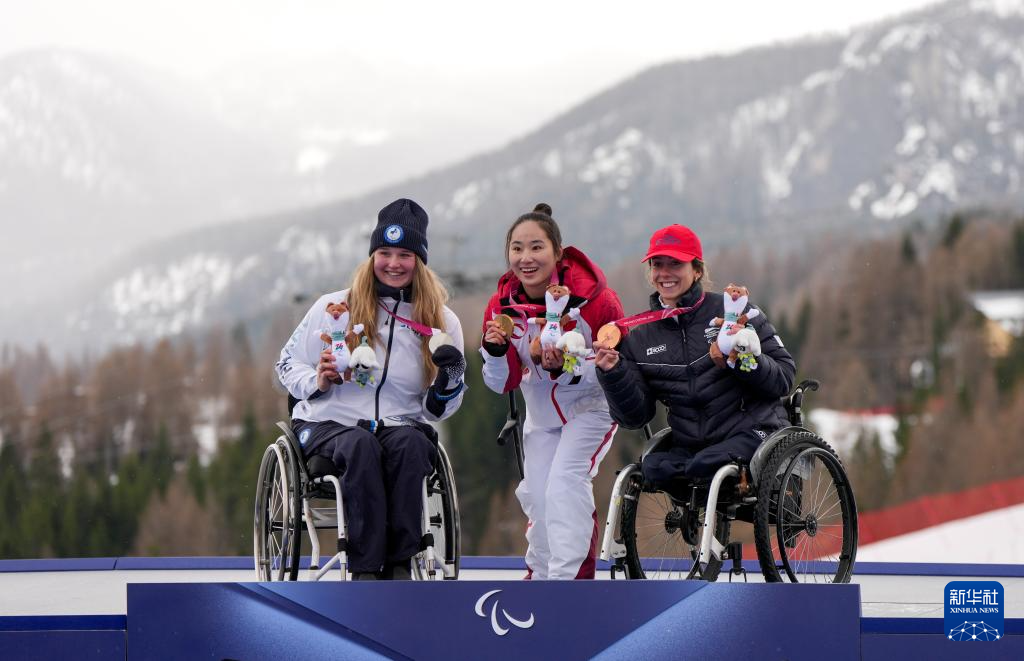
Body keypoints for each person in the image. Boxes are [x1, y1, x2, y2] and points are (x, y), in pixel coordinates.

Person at [275, 198, 466, 580]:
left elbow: (439, 410)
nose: (393, 263)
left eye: (404, 254)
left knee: (413, 445)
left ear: (420, 260)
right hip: (330, 422)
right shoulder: (334, 307)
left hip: (399, 425)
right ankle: (365, 569)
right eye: (384, 252)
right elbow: (285, 365)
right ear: (372, 255)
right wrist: (318, 379)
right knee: (359, 446)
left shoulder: (442, 321)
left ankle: (399, 565)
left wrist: (450, 377)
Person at [480, 203, 623, 580]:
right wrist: (496, 353)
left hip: (590, 409)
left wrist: (562, 367)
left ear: (558, 253)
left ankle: (571, 584)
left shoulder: (596, 300)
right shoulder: (501, 307)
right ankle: (541, 580)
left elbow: (616, 365)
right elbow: (502, 383)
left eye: (536, 247)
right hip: (541, 418)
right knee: (539, 498)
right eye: (517, 248)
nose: (526, 258)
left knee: (564, 485)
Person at [594, 224, 796, 484]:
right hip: (691, 446)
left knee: (705, 464)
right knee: (653, 467)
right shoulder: (639, 338)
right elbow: (635, 418)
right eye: (657, 264)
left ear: (697, 270)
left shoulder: (734, 312)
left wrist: (742, 358)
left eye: (675, 264)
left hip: (752, 433)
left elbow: (784, 379)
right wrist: (613, 373)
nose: (664, 273)